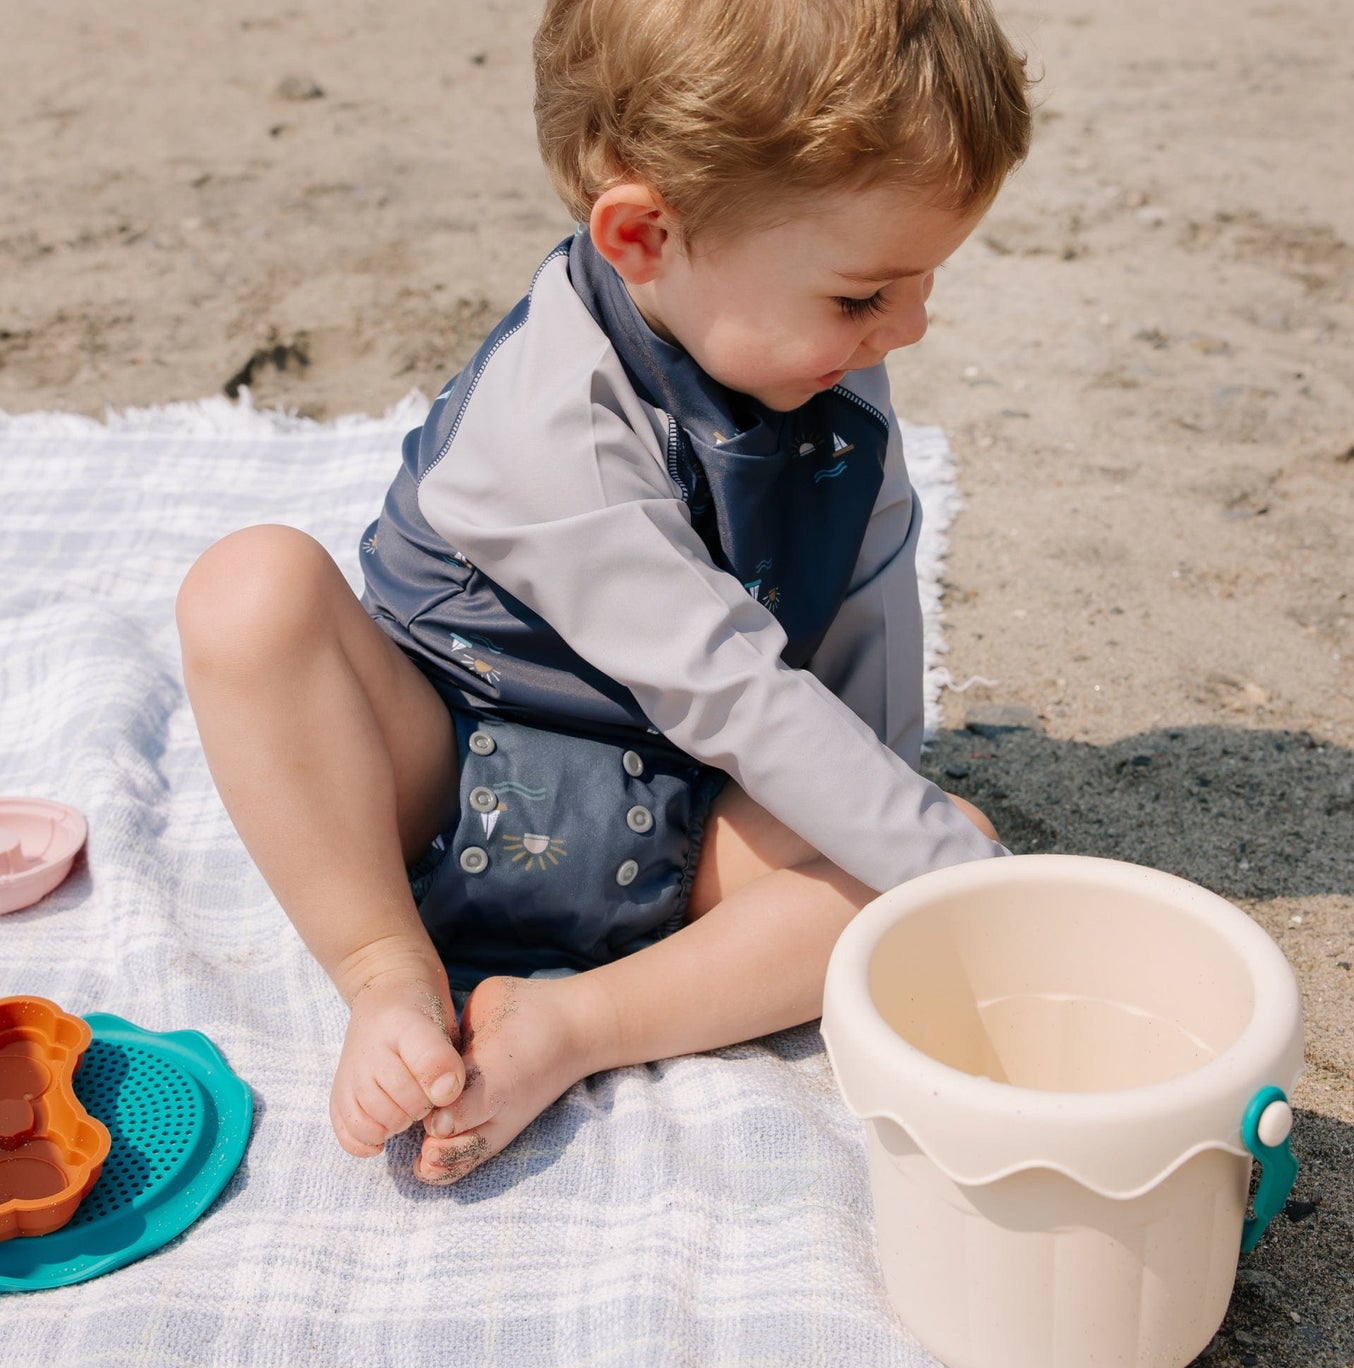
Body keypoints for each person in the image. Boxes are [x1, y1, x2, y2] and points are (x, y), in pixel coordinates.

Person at [175, 0, 1032, 1186]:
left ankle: (570, 1024)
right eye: (861, 295)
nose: (910, 326)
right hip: (447, 775)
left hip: (673, 818)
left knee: (906, 866)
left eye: (923, 283)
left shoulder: (826, 368)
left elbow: (863, 605)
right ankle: (388, 973)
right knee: (247, 590)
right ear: (641, 237)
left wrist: (915, 850)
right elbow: (727, 686)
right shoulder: (547, 425)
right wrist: (980, 900)